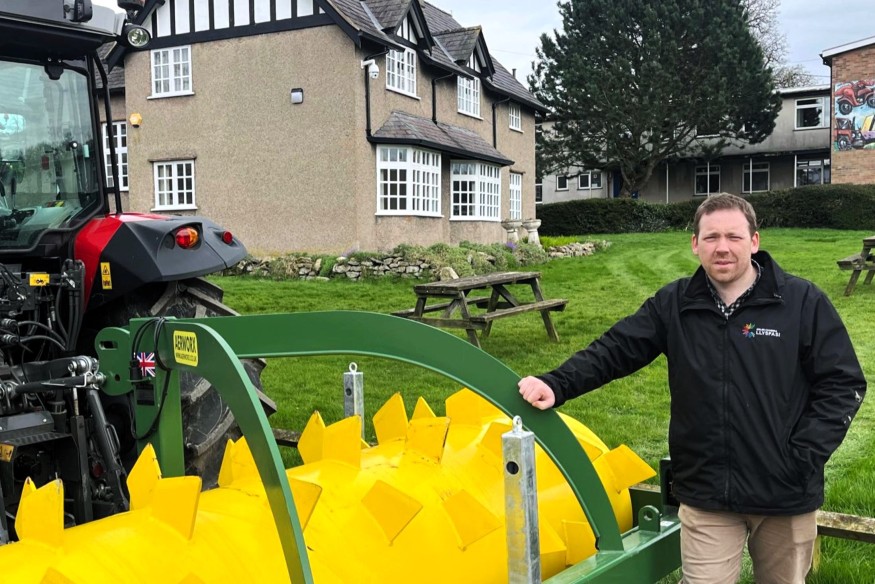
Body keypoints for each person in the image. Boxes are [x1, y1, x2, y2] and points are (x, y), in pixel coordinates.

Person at [518, 193, 866, 584]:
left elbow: (843, 383)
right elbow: (615, 350)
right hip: (706, 492)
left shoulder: (801, 301)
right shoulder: (675, 303)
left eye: (734, 237)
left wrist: (802, 456)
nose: (722, 247)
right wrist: (556, 383)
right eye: (711, 237)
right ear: (695, 244)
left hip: (784, 493)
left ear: (754, 241)